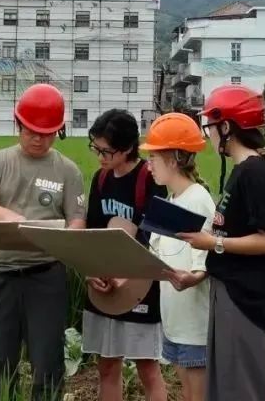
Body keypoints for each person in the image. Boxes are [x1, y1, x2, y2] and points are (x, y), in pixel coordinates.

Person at [0, 83, 87, 401]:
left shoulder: (68, 171)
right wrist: (23, 224)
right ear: (18, 123)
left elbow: (77, 220)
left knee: (48, 360)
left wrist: (65, 240)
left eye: (47, 133)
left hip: (46, 277)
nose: (39, 139)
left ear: (59, 131)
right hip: (1, 274)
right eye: (32, 131)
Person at [178, 85, 265, 401]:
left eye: (211, 127)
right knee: (227, 386)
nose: (210, 135)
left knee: (243, 388)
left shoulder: (254, 172)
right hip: (231, 291)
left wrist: (212, 243)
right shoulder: (245, 169)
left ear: (226, 127)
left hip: (246, 300)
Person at [83, 109, 169, 401]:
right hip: (104, 284)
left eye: (107, 151)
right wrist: (92, 270)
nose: (100, 157)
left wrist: (126, 274)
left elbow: (157, 238)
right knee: (107, 366)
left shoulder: (151, 179)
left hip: (140, 286)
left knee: (147, 368)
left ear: (129, 147)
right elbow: (92, 233)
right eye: (96, 149)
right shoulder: (101, 179)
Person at [142, 113, 216, 401]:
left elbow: (207, 260)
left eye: (153, 158)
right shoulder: (172, 200)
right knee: (187, 392)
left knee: (197, 395)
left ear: (173, 159)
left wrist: (192, 278)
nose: (149, 165)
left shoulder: (198, 199)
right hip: (175, 320)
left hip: (194, 324)